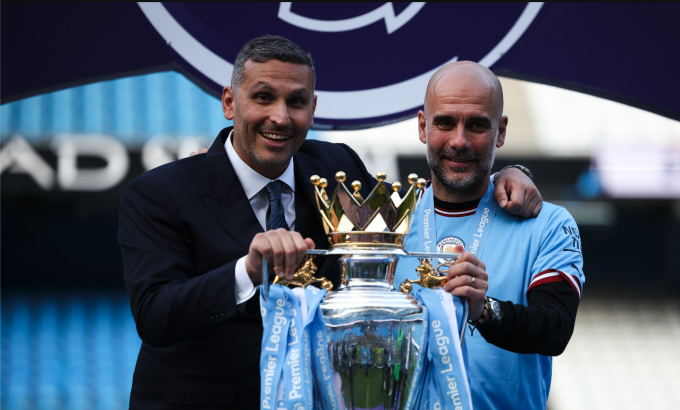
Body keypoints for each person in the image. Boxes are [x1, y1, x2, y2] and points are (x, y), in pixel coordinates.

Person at [118, 36, 542, 409]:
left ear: (313, 108)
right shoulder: (159, 193)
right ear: (231, 102)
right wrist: (247, 271)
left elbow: (428, 191)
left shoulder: (338, 165)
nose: (281, 117)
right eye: (263, 97)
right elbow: (155, 315)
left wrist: (510, 173)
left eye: (297, 101)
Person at [394, 61, 584, 410]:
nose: (459, 140)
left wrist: (484, 311)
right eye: (445, 122)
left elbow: (554, 328)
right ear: (423, 126)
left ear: (501, 131)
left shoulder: (548, 223)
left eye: (478, 125)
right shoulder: (388, 222)